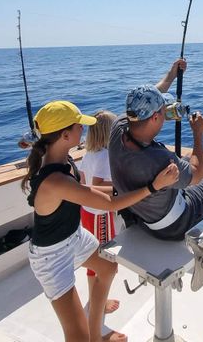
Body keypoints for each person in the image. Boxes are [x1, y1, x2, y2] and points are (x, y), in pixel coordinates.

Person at [22, 100, 179, 342]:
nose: (83, 130)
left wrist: (122, 189)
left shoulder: (63, 160)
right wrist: (153, 186)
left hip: (73, 237)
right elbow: (111, 205)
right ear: (65, 135)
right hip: (51, 257)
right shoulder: (54, 181)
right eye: (79, 126)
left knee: (108, 267)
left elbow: (86, 190)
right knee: (77, 336)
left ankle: (96, 335)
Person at [108, 60, 203, 241]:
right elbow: (196, 175)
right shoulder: (158, 159)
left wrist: (172, 74)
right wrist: (198, 133)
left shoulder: (118, 126)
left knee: (190, 159)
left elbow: (154, 94)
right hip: (175, 225)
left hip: (143, 215)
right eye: (163, 110)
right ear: (156, 117)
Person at [77, 110, 120, 315]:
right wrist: (123, 184)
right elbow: (97, 184)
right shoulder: (104, 155)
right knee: (103, 259)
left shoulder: (89, 153)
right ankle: (99, 303)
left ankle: (96, 298)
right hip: (98, 215)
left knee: (93, 256)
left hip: (88, 211)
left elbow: (83, 181)